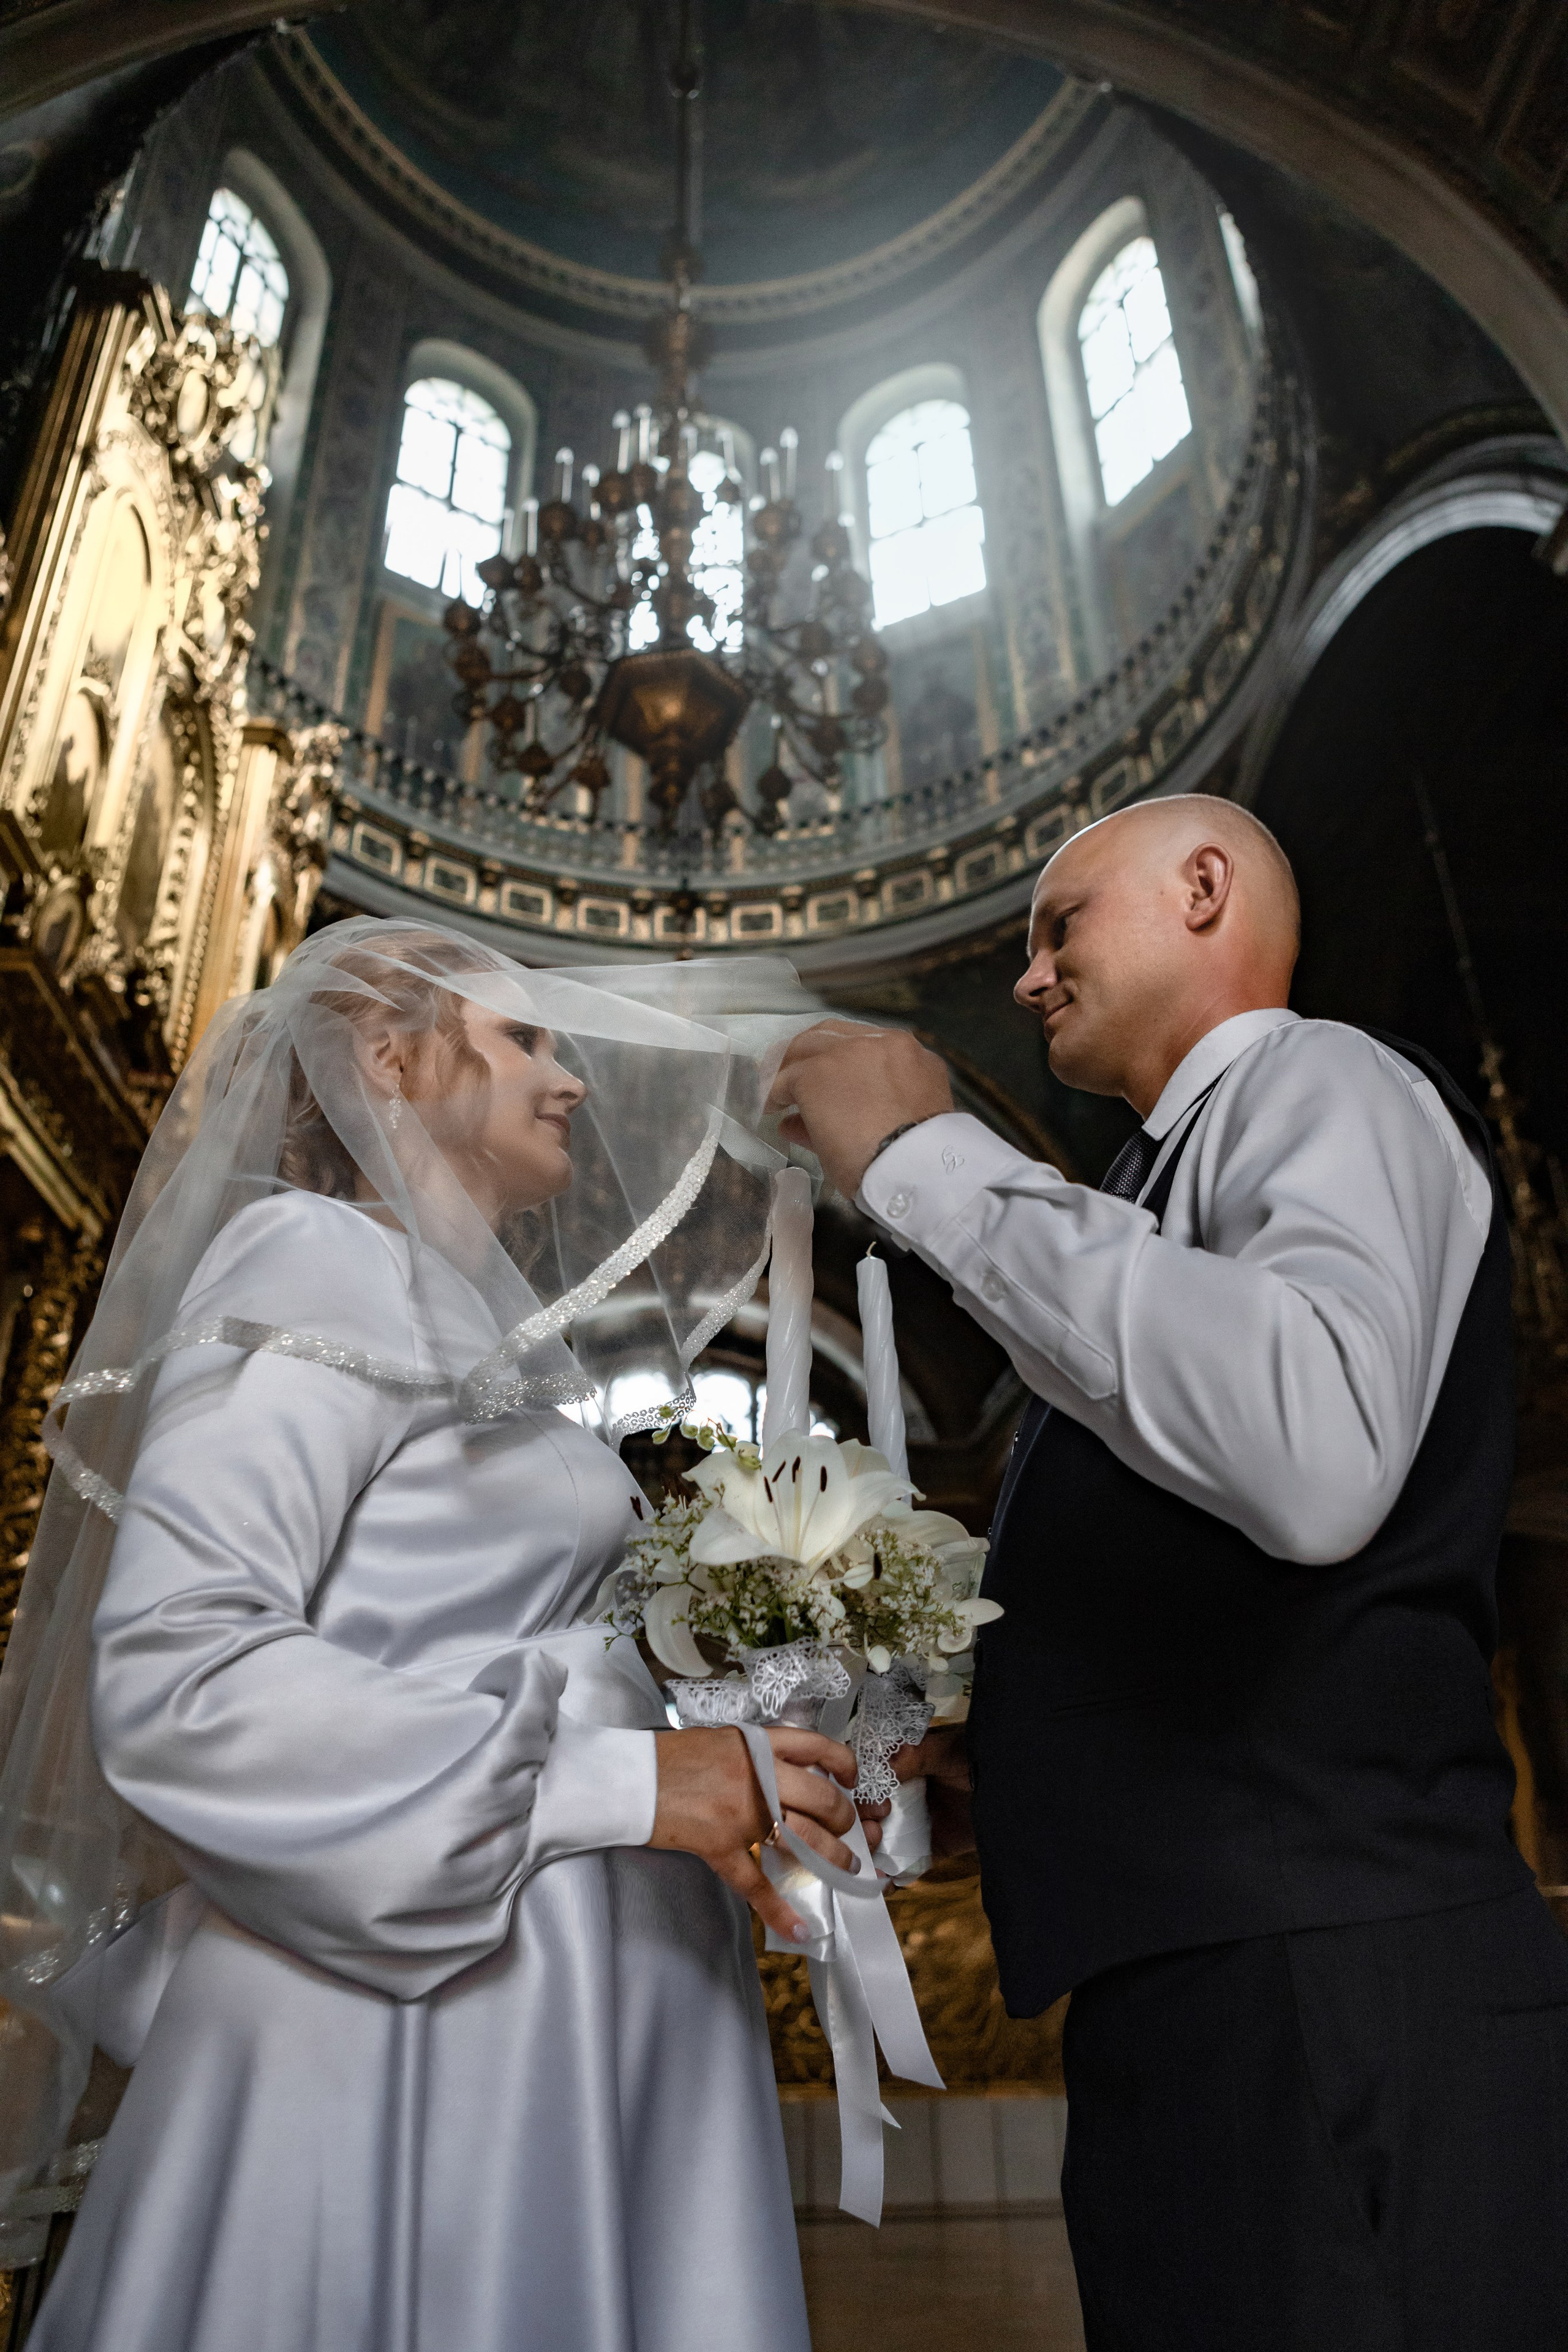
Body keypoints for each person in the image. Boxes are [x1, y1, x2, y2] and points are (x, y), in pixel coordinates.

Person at [770, 795, 1568, 2352]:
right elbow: (1195, 1587)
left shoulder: (1324, 1080)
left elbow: (1310, 1450)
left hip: (1333, 1981)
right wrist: (984, 1755)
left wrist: (933, 1161)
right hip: (1207, 1994)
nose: (1024, 976)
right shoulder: (1146, 1199)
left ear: (1205, 889)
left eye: (1057, 924)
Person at [0, 918, 859, 2352]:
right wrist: (626, 1784)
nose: (569, 1079)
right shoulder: (310, 1254)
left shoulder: (462, 1328)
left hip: (550, 2013)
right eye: (520, 1036)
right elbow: (179, 1679)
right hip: (393, 2032)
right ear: (385, 1060)